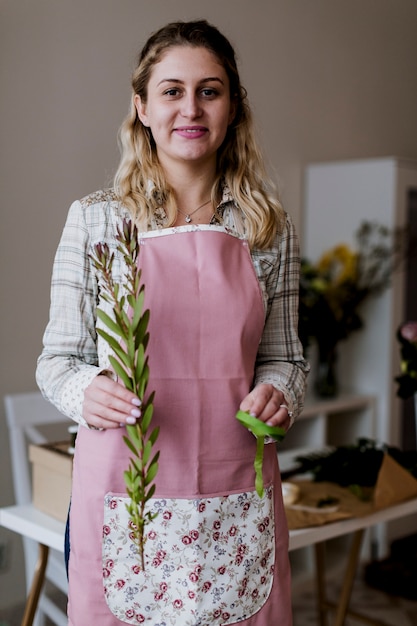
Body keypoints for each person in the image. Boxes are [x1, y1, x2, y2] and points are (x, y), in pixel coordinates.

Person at [36, 19, 309, 626]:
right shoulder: (95, 221)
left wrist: (280, 391)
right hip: (125, 487)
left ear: (233, 107)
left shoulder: (268, 228)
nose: (191, 108)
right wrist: (86, 392)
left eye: (210, 91)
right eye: (172, 90)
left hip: (235, 487)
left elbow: (286, 356)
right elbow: (57, 360)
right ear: (141, 106)